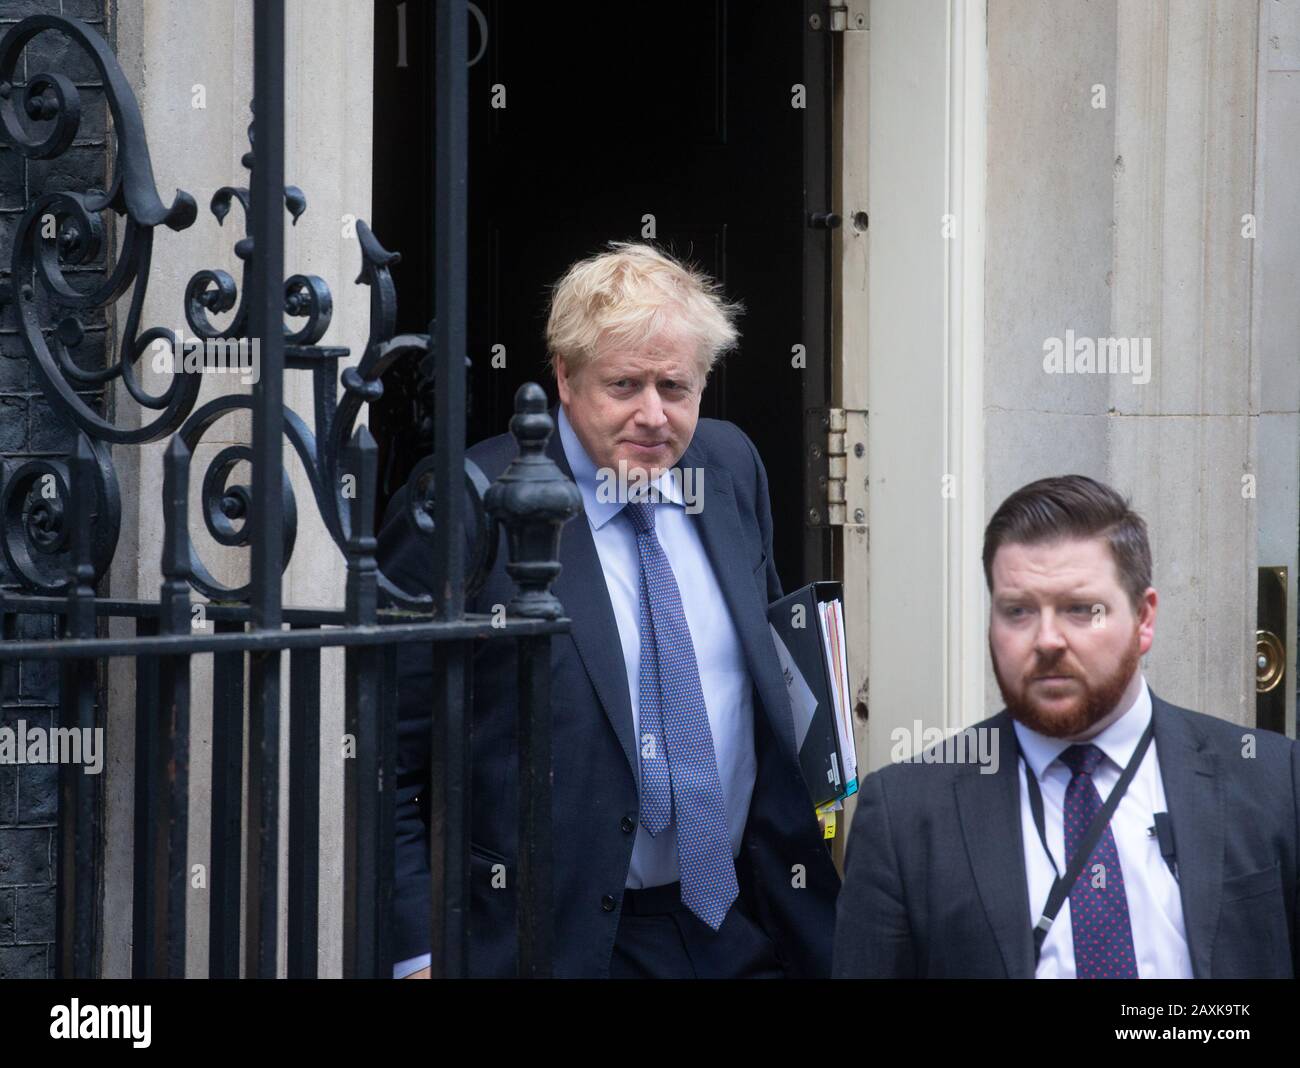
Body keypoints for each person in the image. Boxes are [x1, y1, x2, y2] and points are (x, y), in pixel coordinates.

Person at [385, 241, 839, 978]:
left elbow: (771, 675)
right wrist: (416, 956)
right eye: (624, 384)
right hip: (552, 937)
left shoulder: (730, 468)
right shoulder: (467, 504)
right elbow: (386, 754)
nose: (653, 416)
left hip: (735, 923)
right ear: (564, 377)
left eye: (676, 387)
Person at [834, 474, 1299, 978]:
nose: (1048, 639)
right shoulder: (905, 817)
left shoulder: (1275, 783)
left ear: (1144, 619)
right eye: (1018, 611)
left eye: (1081, 610)